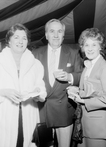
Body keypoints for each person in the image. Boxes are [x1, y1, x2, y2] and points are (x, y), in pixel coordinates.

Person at [0, 23, 47, 147]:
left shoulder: (36, 64)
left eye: (24, 38)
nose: (20, 41)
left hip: (28, 116)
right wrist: (2, 92)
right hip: (4, 118)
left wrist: (38, 93)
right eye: (16, 37)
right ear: (8, 41)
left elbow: (41, 88)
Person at [32, 19, 83, 147]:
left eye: (59, 31)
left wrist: (70, 76)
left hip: (64, 110)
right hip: (43, 110)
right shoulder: (36, 54)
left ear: (63, 35)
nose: (56, 35)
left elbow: (82, 75)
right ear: (46, 34)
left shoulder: (73, 52)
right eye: (52, 31)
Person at [67, 28, 106, 147]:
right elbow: (93, 90)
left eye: (94, 44)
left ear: (100, 47)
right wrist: (78, 90)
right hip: (84, 124)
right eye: (86, 45)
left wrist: (84, 100)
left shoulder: (105, 68)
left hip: (97, 127)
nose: (90, 48)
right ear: (82, 47)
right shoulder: (88, 66)